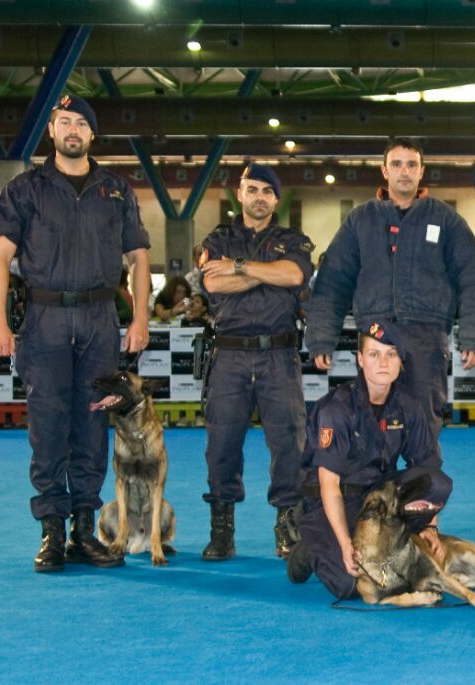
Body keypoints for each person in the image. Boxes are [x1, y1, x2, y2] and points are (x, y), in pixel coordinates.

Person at [0, 94, 151, 573]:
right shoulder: (24, 190)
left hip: (100, 317)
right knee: (48, 426)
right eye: (64, 122)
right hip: (44, 319)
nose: (73, 130)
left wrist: (140, 317)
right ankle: (51, 530)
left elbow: (139, 259)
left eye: (81, 122)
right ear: (52, 131)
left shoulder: (116, 191)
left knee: (93, 424)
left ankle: (83, 528)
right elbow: (0, 257)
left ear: (92, 134)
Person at [307, 137, 475, 441]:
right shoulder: (360, 220)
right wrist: (321, 338)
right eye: (396, 164)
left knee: (424, 426)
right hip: (376, 335)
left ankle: (422, 473)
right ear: (384, 171)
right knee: (371, 422)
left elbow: (473, 277)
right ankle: (375, 473)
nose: (404, 171)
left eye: (411, 165)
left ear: (421, 171)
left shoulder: (446, 219)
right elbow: (332, 282)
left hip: (427, 338)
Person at [286, 321, 453, 600]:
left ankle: (401, 538)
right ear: (360, 360)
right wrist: (344, 542)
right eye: (374, 354)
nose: (383, 362)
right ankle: (308, 547)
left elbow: (427, 467)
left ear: (401, 362)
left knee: (437, 483)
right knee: (351, 585)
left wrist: (429, 527)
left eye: (391, 354)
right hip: (332, 501)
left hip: (376, 500)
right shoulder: (337, 408)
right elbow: (329, 485)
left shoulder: (409, 406)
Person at [198, 163, 314, 561]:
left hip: (278, 355)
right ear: (240, 194)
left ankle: (288, 526)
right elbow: (213, 282)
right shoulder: (218, 238)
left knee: (289, 444)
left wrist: (240, 267)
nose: (259, 197)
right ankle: (222, 531)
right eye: (252, 189)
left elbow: (294, 276)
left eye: (267, 191)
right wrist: (268, 274)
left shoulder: (292, 239)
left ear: (276, 199)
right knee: (221, 445)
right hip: (229, 355)